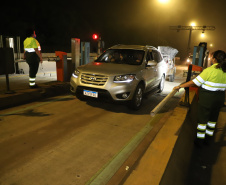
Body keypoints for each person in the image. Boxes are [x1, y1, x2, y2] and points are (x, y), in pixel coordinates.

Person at [173, 50, 226, 147]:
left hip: (207, 100)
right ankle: (208, 140)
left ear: (214, 59)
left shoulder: (209, 71)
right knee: (212, 121)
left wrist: (180, 86)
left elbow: (194, 82)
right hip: (219, 99)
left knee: (202, 121)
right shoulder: (225, 70)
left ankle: (199, 142)